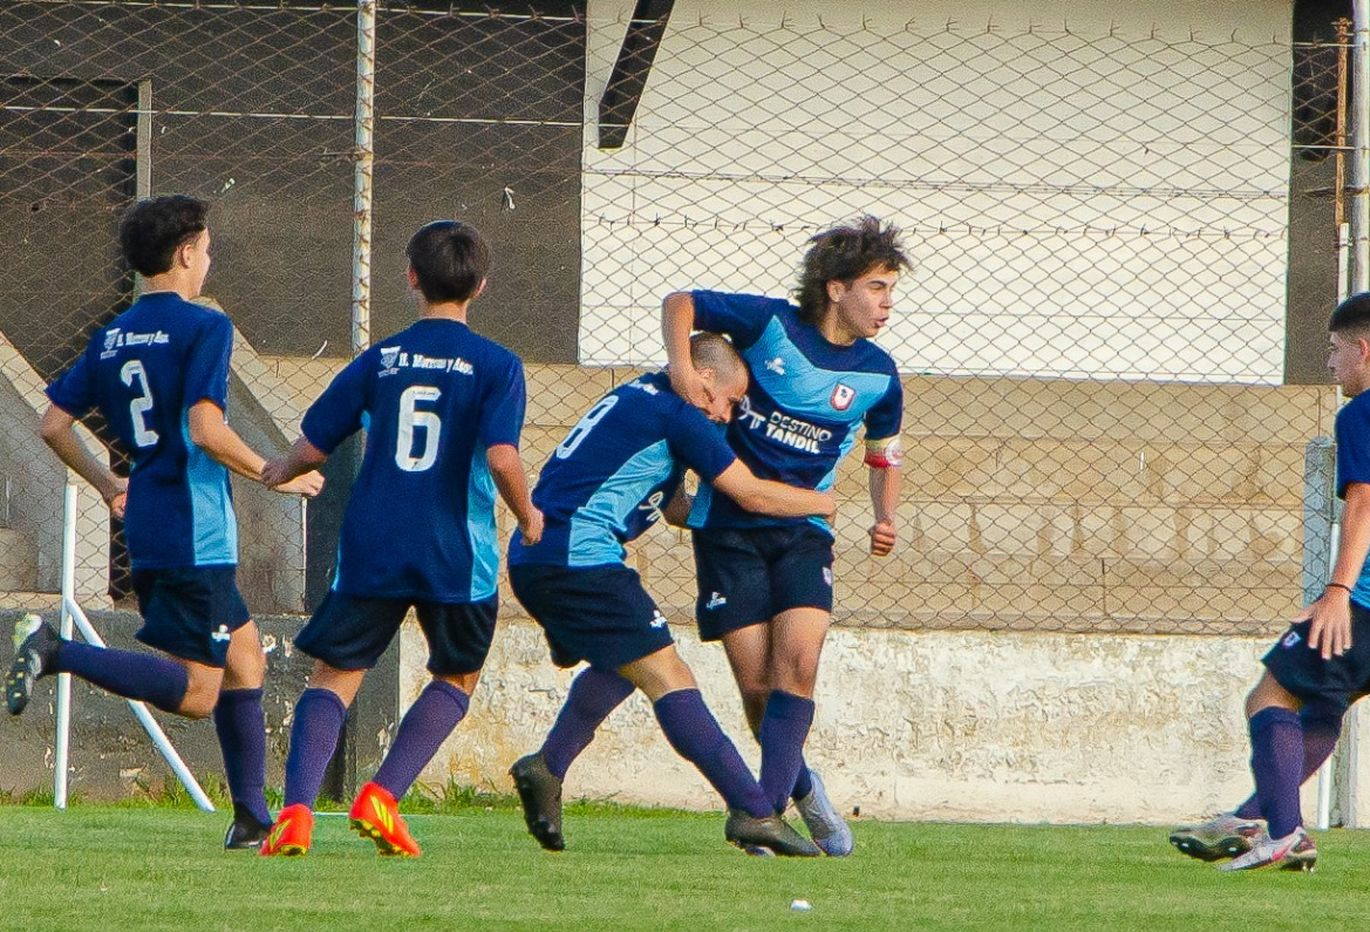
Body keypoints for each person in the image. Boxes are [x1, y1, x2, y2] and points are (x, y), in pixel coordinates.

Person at [6, 194, 323, 849]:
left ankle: (250, 816)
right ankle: (55, 648)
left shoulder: (113, 333)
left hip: (148, 518)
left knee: (244, 658)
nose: (208, 261)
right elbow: (206, 429)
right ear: (184, 254)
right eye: (206, 250)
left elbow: (52, 422)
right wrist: (275, 469)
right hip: (193, 530)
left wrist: (105, 482)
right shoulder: (204, 327)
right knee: (200, 691)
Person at [1170, 291, 1370, 871]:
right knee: (1320, 704)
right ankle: (1253, 818)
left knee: (1270, 694)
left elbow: (1364, 501)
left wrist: (1337, 592)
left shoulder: (1364, 412)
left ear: (1363, 350)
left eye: (1335, 350)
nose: (1331, 363)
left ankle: (1284, 834)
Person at [257, 220, 539, 858]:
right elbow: (500, 457)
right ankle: (382, 797)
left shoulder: (380, 359)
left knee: (334, 677)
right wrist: (528, 513)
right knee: (457, 676)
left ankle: (296, 813)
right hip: (454, 552)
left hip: (373, 544)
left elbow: (314, 443)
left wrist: (280, 470)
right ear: (481, 286)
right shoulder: (498, 365)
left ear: (411, 277)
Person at [507, 333, 834, 856]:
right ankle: (752, 811)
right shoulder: (680, 416)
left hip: (543, 556)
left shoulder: (640, 396)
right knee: (670, 676)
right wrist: (820, 502)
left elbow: (678, 507)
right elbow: (745, 490)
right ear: (703, 377)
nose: (727, 416)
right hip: (578, 559)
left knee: (623, 665)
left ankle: (547, 766)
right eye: (729, 401)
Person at [663, 215, 908, 855]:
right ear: (835, 288)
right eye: (877, 288)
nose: (887, 304)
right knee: (757, 689)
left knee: (799, 662)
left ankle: (763, 816)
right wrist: (684, 371)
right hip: (727, 529)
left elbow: (884, 454)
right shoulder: (770, 325)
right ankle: (799, 787)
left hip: (802, 533)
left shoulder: (880, 375)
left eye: (890, 291)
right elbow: (679, 302)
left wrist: (885, 516)